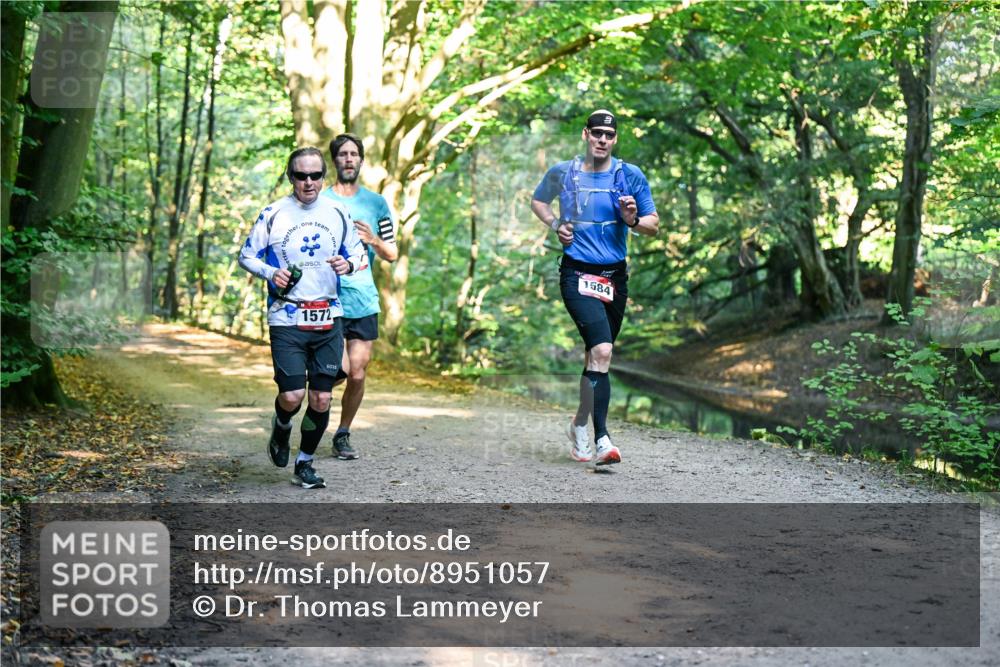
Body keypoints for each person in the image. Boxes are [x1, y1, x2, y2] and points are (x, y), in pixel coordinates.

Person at [530, 110, 659, 465]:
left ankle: (578, 426)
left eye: (609, 134)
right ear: (586, 134)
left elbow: (653, 224)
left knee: (595, 357)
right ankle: (603, 439)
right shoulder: (563, 172)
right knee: (602, 350)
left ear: (615, 139)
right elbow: (538, 200)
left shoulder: (629, 176)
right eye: (597, 132)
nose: (603, 139)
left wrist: (632, 220)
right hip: (577, 274)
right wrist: (555, 224)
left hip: (615, 278)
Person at [238, 147, 365, 488]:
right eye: (301, 175)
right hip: (287, 316)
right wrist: (271, 273)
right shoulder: (274, 213)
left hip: (328, 316)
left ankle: (305, 463)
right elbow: (246, 256)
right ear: (290, 177)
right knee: (292, 396)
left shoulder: (338, 211)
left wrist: (348, 264)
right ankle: (282, 425)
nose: (308, 182)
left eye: (315, 175)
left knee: (321, 398)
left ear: (324, 176)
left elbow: (359, 255)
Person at [321, 133, 398, 460]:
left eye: (354, 154)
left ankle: (342, 433)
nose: (349, 159)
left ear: (362, 161)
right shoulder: (320, 201)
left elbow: (392, 253)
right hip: (327, 299)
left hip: (363, 299)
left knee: (357, 372)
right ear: (335, 161)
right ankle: (310, 412)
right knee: (333, 372)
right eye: (343, 154)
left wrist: (374, 240)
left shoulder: (377, 204)